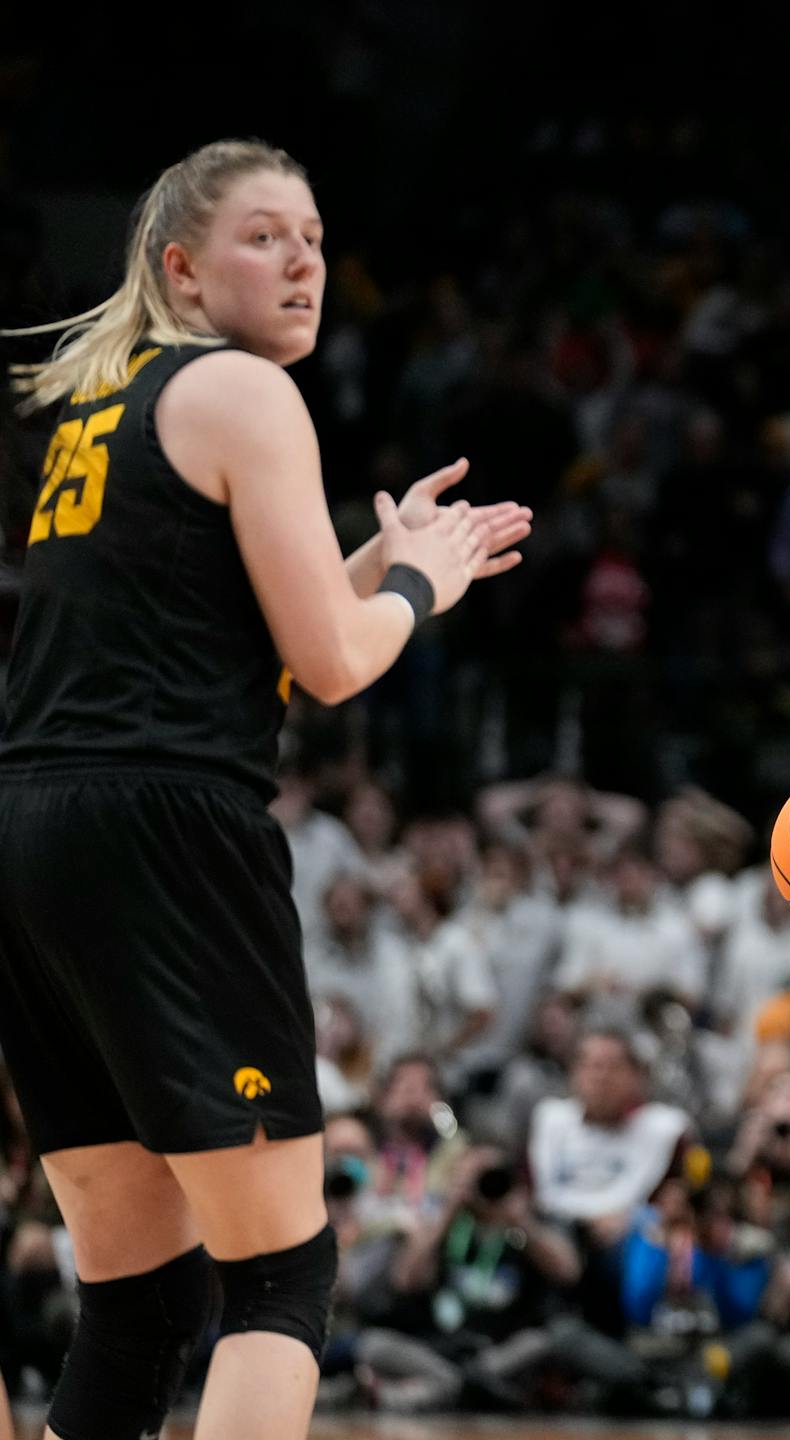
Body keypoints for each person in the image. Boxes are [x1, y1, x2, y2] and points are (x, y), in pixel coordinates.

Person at [0, 140, 529, 1440]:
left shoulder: (110, 402)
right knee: (282, 1277)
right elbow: (337, 666)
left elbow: (222, 636)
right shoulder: (241, 391)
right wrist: (421, 585)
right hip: (163, 832)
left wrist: (373, 558)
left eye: (315, 239)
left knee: (141, 1293)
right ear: (181, 267)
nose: (302, 263)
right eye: (264, 238)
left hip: (34, 830)